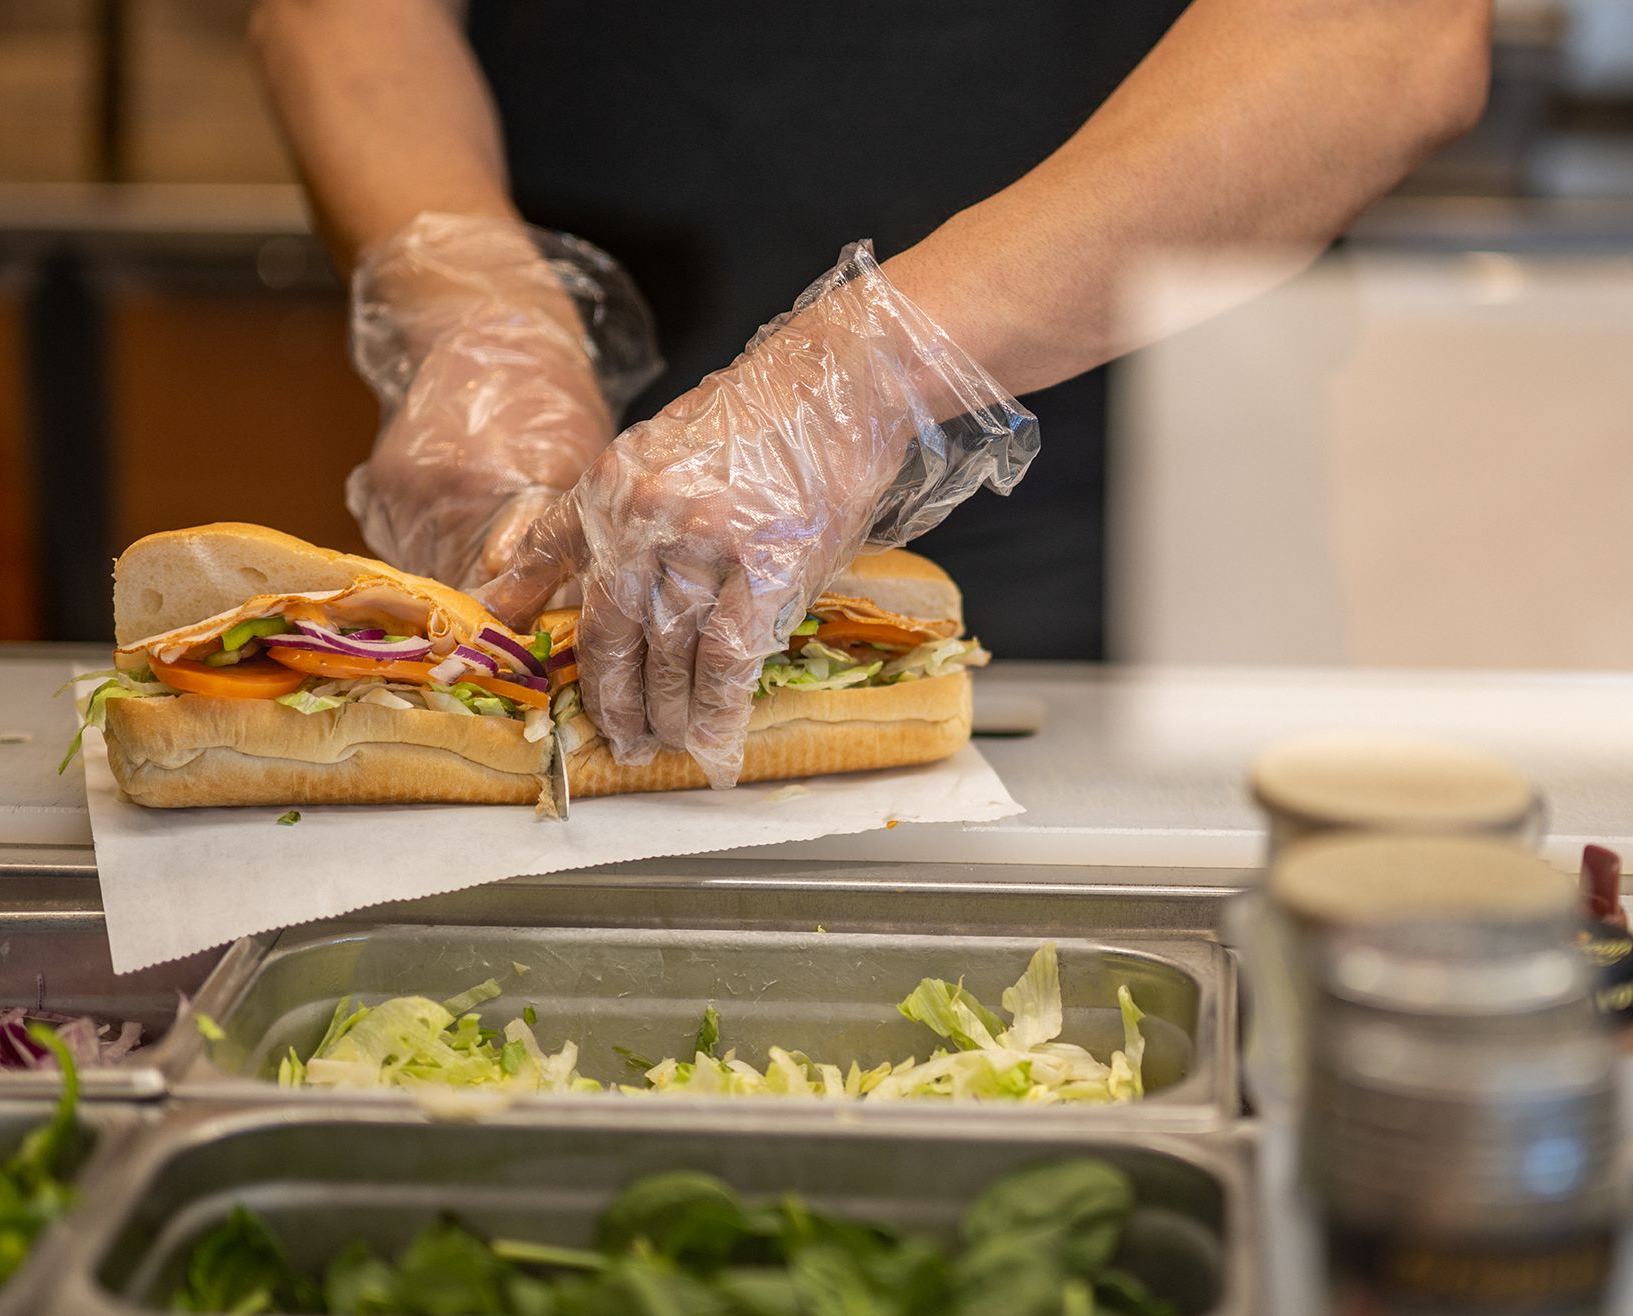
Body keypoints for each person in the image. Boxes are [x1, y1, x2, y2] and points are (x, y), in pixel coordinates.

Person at [252, 0, 1494, 787]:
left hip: (1144, 495)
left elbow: (1381, 32)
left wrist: (867, 372)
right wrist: (476, 315)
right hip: (577, 478)